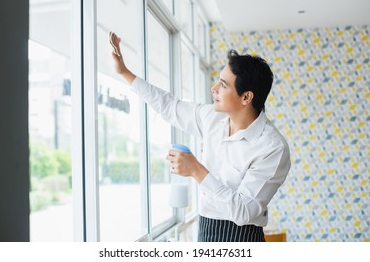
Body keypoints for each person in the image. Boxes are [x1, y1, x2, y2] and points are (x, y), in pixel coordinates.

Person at [109, 32, 291, 242]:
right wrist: (124, 72)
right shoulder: (212, 118)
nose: (213, 88)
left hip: (243, 237)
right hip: (205, 230)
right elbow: (168, 105)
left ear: (246, 97)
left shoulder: (273, 148)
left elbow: (244, 211)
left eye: (223, 84)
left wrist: (196, 170)